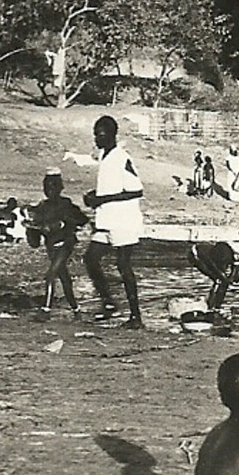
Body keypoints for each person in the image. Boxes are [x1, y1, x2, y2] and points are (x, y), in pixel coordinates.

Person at [83, 115, 146, 327]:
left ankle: (136, 317)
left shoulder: (121, 157)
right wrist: (95, 195)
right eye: (95, 135)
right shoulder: (105, 156)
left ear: (112, 135)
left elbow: (136, 190)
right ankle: (109, 301)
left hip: (124, 220)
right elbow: (112, 187)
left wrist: (101, 198)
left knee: (123, 265)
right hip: (106, 218)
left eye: (100, 135)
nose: (97, 139)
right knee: (91, 259)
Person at [27, 170, 88, 314]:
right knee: (63, 275)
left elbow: (82, 220)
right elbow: (34, 243)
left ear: (60, 187)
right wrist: (31, 230)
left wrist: (65, 223)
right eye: (47, 187)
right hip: (51, 246)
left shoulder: (66, 204)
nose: (50, 190)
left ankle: (46, 309)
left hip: (65, 243)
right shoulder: (42, 207)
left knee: (51, 275)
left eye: (54, 186)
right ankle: (75, 307)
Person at [190, 240, 239, 311]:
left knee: (223, 281)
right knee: (220, 280)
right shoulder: (224, 253)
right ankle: (211, 307)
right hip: (197, 256)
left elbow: (236, 280)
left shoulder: (233, 257)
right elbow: (212, 266)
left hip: (210, 256)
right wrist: (223, 277)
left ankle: (216, 306)